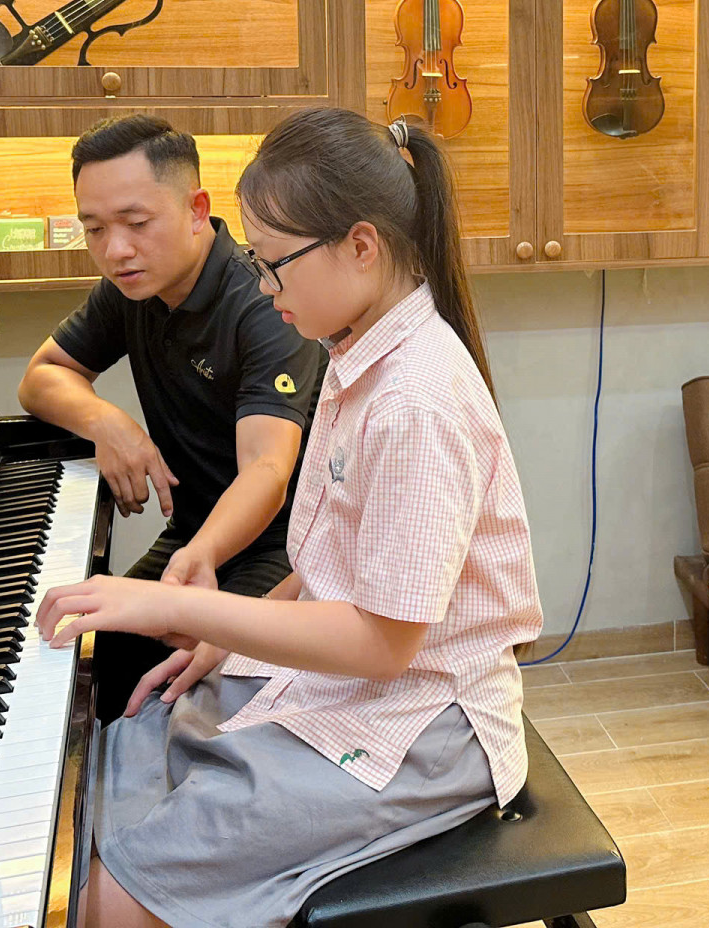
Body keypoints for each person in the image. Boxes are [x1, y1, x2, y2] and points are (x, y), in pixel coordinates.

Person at [38, 109, 542, 928]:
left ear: (362, 246)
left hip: (422, 729)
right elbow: (326, 560)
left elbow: (384, 645)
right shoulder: (357, 351)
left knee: (98, 901)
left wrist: (177, 605)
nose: (264, 288)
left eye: (275, 266)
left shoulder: (416, 401)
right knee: (111, 769)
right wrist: (225, 638)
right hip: (362, 685)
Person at [18, 114, 326, 716]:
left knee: (192, 695)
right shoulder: (130, 287)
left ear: (194, 208)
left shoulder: (260, 302)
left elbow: (267, 470)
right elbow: (41, 377)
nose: (116, 250)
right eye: (95, 229)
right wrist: (112, 425)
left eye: (136, 223)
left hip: (284, 549)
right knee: (93, 655)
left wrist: (198, 562)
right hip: (195, 535)